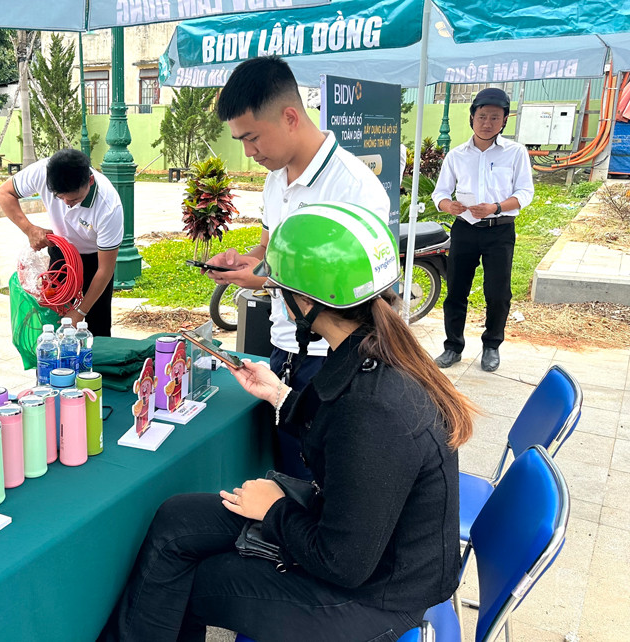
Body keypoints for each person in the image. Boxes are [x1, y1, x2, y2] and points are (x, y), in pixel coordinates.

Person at [100, 204, 474, 642]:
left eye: (279, 292)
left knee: (182, 581)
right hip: (357, 537)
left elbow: (344, 563)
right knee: (177, 518)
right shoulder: (370, 352)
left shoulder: (375, 409)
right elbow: (342, 437)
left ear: (306, 301)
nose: (277, 300)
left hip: (374, 598)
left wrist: (274, 511)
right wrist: (280, 394)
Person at [202, 56, 389, 477]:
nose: (249, 153)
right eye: (241, 142)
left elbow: (359, 293)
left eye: (252, 138)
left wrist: (266, 279)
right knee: (283, 465)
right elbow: (269, 251)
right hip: (284, 345)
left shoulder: (355, 189)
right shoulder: (276, 178)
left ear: (290, 117)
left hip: (334, 355)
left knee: (319, 476)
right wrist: (242, 262)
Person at [431, 88, 534, 372]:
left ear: (504, 120)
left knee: (497, 292)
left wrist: (497, 207)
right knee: (456, 291)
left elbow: (525, 192)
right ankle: (452, 347)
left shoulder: (515, 152)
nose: (487, 122)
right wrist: (446, 205)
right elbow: (439, 193)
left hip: (499, 230)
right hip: (465, 229)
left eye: (494, 117)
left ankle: (491, 346)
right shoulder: (456, 155)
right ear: (472, 118)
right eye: (482, 116)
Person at [0, 148, 124, 337]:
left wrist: (79, 312)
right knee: (54, 322)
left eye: (74, 199)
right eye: (59, 197)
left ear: (89, 181)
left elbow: (105, 270)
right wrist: (29, 229)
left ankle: (95, 364)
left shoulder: (108, 207)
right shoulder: (41, 171)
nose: (66, 204)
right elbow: (3, 193)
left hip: (94, 261)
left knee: (96, 328)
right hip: (60, 254)